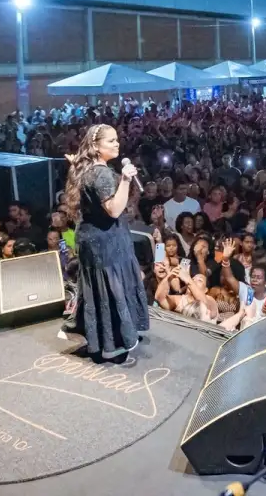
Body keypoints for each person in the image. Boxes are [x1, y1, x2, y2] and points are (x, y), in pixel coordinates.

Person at [61, 124, 149, 363]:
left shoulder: (88, 169)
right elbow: (113, 209)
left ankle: (101, 338)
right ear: (96, 146)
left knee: (99, 290)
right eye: (110, 141)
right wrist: (126, 180)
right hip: (106, 241)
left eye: (117, 139)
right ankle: (114, 341)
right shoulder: (101, 173)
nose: (117, 144)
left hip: (92, 240)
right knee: (112, 289)